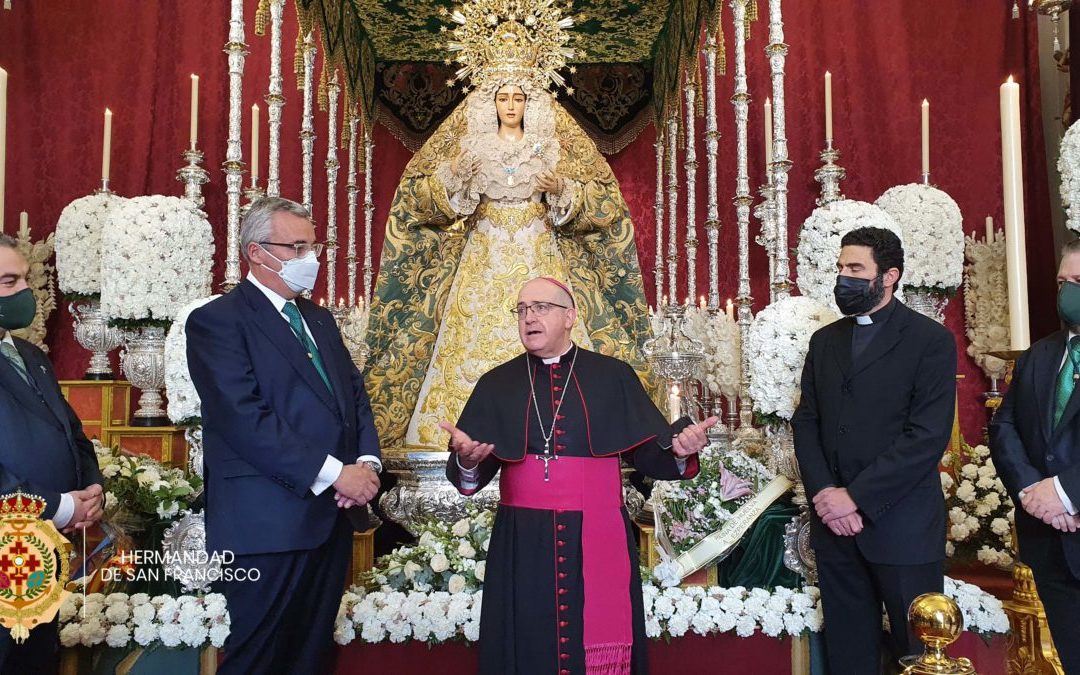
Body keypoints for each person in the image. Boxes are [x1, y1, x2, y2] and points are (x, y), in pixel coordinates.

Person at [363, 19, 655, 453]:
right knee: (469, 334)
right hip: (484, 250)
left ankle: (562, 432)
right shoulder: (470, 146)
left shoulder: (554, 144)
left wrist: (563, 192)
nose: (511, 104)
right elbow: (421, 199)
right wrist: (455, 181)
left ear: (531, 103)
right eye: (503, 97)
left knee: (550, 322)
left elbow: (604, 204)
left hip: (541, 248)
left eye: (519, 97)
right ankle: (459, 437)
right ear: (490, 104)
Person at [442, 276, 716, 675]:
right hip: (523, 541)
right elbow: (471, 473)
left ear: (569, 316)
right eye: (521, 309)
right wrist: (467, 461)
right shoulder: (497, 383)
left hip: (596, 531)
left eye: (540, 307)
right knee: (526, 640)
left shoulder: (612, 376)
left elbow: (648, 455)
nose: (528, 317)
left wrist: (678, 450)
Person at [186, 198, 381, 675]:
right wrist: (338, 474)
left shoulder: (317, 319)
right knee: (259, 657)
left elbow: (353, 395)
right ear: (256, 252)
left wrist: (368, 464)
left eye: (312, 246)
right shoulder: (218, 321)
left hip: (327, 520)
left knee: (311, 656)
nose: (309, 258)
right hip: (264, 525)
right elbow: (245, 419)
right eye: (296, 247)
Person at [791, 227, 956, 673]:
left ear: (889, 276)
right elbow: (806, 421)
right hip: (834, 527)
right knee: (849, 653)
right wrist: (826, 493)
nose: (843, 277)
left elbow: (925, 436)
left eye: (855, 269)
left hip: (901, 525)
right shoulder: (825, 341)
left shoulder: (930, 341)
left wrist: (856, 497)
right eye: (841, 268)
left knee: (916, 653)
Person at [0, 234, 104, 673]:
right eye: (9, 281)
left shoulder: (30, 354)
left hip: (41, 548)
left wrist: (91, 488)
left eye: (25, 278)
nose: (25, 291)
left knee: (36, 659)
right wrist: (60, 506)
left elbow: (71, 433)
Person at [990, 239, 1080, 673]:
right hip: (1049, 542)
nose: (1067, 292)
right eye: (1062, 281)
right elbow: (1004, 427)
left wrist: (1066, 493)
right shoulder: (1040, 355)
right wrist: (1032, 491)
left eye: (1079, 282)